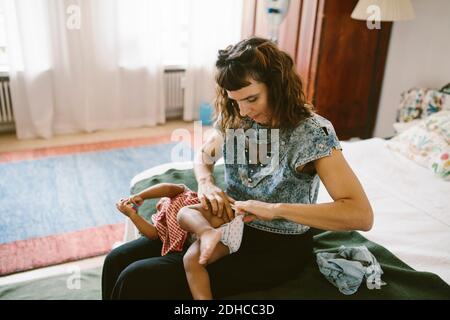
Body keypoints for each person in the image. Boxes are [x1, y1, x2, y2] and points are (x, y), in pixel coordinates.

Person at [102, 37, 374, 299]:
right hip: (227, 223)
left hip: (276, 245)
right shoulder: (236, 117)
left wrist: (273, 209)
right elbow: (204, 156)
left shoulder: (313, 133)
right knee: (117, 260)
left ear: (277, 86)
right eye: (235, 100)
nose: (243, 110)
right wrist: (206, 182)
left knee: (138, 278)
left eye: (252, 99)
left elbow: (360, 214)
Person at [114, 183, 246, 300]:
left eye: (162, 201)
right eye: (159, 208)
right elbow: (153, 234)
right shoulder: (165, 225)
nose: (160, 206)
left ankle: (206, 232)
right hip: (227, 239)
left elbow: (168, 188)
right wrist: (132, 215)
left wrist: (141, 195)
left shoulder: (180, 196)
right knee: (190, 260)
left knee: (184, 213)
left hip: (218, 215)